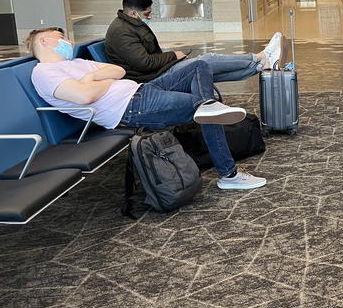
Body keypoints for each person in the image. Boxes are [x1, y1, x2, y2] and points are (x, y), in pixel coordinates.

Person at [27, 27, 266, 190]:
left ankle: (207, 105)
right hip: (132, 108)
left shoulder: (76, 63)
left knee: (200, 66)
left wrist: (94, 78)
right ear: (44, 41)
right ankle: (229, 175)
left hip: (143, 89)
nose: (67, 41)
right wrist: (94, 81)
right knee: (207, 111)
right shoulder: (45, 73)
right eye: (60, 36)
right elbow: (84, 95)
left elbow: (118, 71)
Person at [105, 0, 282, 83]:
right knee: (206, 61)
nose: (150, 17)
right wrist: (173, 56)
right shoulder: (121, 32)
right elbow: (145, 63)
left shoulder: (130, 25)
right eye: (147, 14)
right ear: (134, 13)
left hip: (157, 70)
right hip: (151, 77)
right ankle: (261, 56)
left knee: (207, 72)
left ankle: (262, 66)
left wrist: (171, 58)